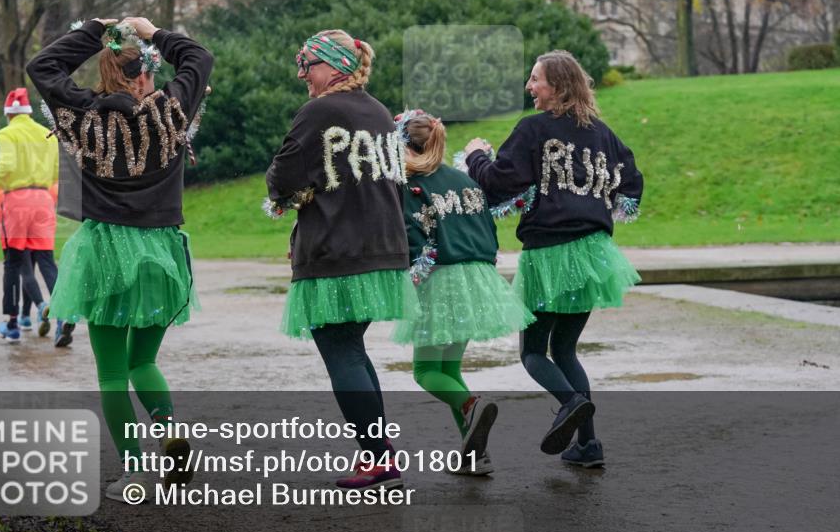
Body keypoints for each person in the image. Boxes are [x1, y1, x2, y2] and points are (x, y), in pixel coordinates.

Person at [26, 16, 213, 501]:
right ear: (147, 74)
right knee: (143, 361)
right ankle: (168, 425)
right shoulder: (171, 110)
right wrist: (153, 33)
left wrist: (94, 31)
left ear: (105, 73)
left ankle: (134, 472)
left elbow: (43, 66)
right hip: (160, 250)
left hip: (105, 250)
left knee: (111, 373)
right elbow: (200, 59)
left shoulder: (84, 114)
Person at [464, 50, 643, 467]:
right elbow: (631, 182)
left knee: (532, 352)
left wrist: (475, 156)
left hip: (549, 253)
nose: (530, 87)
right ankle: (588, 446)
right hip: (595, 253)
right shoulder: (602, 134)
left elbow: (499, 183)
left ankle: (569, 402)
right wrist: (599, 205)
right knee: (565, 351)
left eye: (535, 79)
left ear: (558, 86)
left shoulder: (534, 130)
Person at [265, 30, 418, 491]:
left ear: (333, 68)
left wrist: (284, 193)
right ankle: (379, 454)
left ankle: (377, 458)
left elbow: (284, 173)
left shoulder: (321, 110)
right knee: (351, 346)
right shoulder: (376, 111)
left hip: (338, 246)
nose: (302, 76)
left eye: (307, 65)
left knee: (340, 347)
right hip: (383, 246)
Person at [394, 109, 535, 475]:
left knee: (426, 371)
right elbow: (487, 229)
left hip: (439, 277)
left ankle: (472, 405)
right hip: (478, 278)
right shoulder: (465, 180)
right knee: (449, 367)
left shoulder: (410, 184)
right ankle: (475, 456)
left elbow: (414, 235)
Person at [0, 87, 71, 345]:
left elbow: (7, 165)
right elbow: (57, 172)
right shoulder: (47, 134)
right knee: (47, 262)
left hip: (16, 201)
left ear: (8, 114)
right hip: (44, 201)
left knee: (13, 263)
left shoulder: (6, 133)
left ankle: (13, 324)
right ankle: (63, 316)